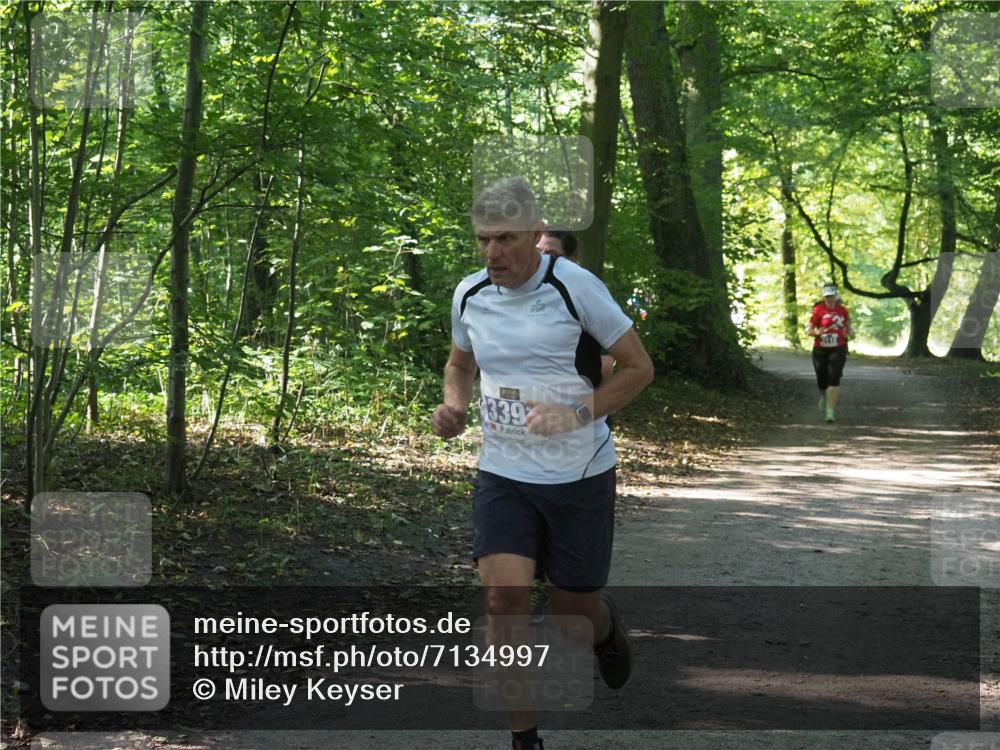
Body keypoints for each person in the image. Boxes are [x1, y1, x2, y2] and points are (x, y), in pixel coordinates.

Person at [432, 177, 654, 750]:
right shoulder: (469, 294)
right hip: (504, 474)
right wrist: (455, 406)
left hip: (579, 474)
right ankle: (524, 739)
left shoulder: (575, 287)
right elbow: (460, 364)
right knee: (503, 600)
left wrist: (575, 413)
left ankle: (602, 624)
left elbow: (638, 368)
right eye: (483, 239)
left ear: (535, 234)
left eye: (505, 238)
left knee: (570, 618)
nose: (492, 252)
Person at [536, 229, 615, 385]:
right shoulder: (524, 294)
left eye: (551, 255)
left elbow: (607, 360)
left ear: (571, 259)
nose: (542, 260)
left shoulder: (587, 294)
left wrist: (596, 398)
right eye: (538, 252)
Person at [806, 283, 854, 423]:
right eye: (827, 297)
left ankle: (830, 412)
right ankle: (823, 395)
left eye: (832, 296)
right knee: (822, 378)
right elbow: (809, 331)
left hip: (839, 348)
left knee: (834, 377)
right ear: (824, 297)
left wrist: (850, 333)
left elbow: (849, 329)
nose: (829, 299)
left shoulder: (843, 311)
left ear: (836, 296)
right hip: (820, 349)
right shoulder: (818, 310)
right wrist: (818, 332)